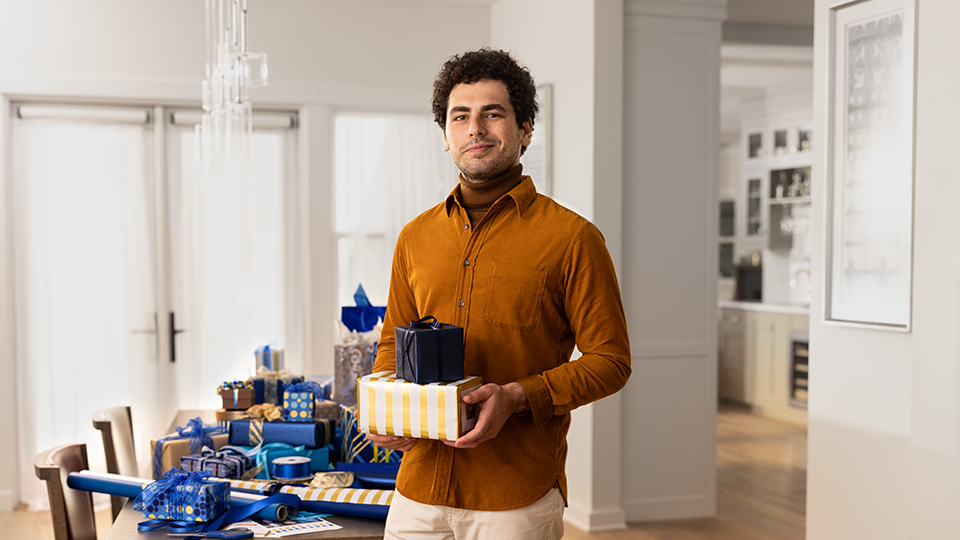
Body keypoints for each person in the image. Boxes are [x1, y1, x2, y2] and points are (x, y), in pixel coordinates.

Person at [368, 48, 631, 540]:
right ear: (445, 137)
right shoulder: (415, 237)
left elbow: (611, 360)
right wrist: (386, 412)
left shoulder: (573, 238)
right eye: (460, 116)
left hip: (515, 499)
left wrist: (516, 396)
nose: (475, 128)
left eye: (493, 113)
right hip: (416, 491)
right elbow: (391, 346)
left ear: (525, 130)